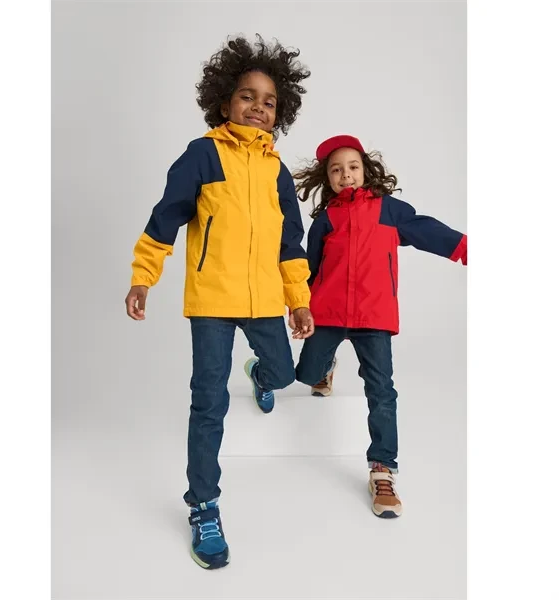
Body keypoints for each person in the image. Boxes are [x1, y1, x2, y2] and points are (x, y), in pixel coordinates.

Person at [124, 35, 314, 569]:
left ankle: (259, 373)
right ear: (224, 100)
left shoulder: (276, 171)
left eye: (269, 101)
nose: (258, 107)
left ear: (280, 112)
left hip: (263, 299)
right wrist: (143, 278)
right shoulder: (203, 155)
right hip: (211, 300)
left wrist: (297, 300)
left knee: (283, 373)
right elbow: (166, 216)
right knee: (209, 401)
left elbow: (290, 243)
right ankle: (203, 505)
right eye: (247, 96)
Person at [293, 134, 467, 519]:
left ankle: (382, 469)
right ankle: (324, 368)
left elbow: (427, 230)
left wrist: (465, 248)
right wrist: (299, 305)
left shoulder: (389, 210)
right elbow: (310, 268)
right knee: (304, 374)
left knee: (382, 391)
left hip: (374, 316)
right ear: (327, 178)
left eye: (352, 167)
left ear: (366, 170)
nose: (345, 175)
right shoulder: (326, 219)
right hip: (328, 313)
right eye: (336, 170)